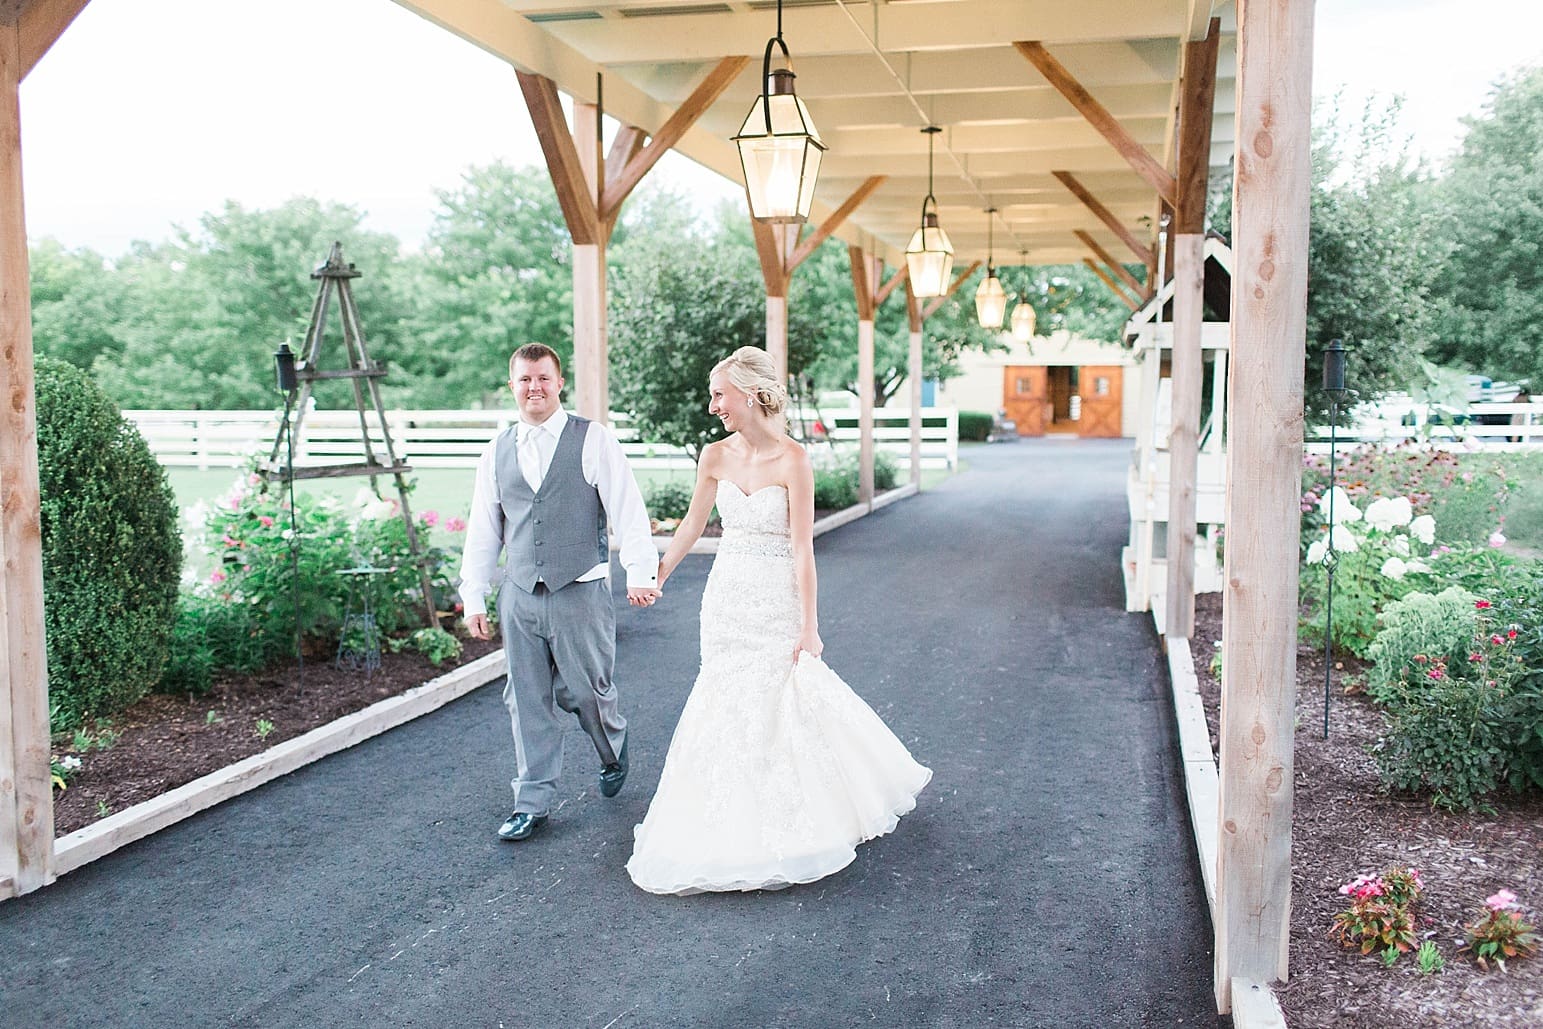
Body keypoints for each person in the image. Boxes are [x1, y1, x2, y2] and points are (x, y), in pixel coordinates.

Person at [626, 346, 930, 895]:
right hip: (726, 599)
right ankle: (723, 817)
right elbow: (693, 524)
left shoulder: (794, 460)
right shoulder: (714, 455)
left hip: (776, 598)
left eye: (720, 394)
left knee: (781, 702)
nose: (713, 405)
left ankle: (800, 814)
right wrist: (659, 574)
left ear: (750, 394)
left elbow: (802, 549)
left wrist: (810, 626)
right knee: (724, 698)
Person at [460, 343, 661, 843]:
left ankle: (612, 746)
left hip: (579, 589)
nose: (535, 387)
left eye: (543, 378)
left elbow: (627, 507)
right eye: (525, 379)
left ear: (559, 382)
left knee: (586, 692)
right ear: (512, 385)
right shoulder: (496, 450)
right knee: (524, 697)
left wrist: (640, 572)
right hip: (520, 593)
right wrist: (475, 595)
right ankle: (531, 802)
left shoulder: (592, 439)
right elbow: (483, 528)